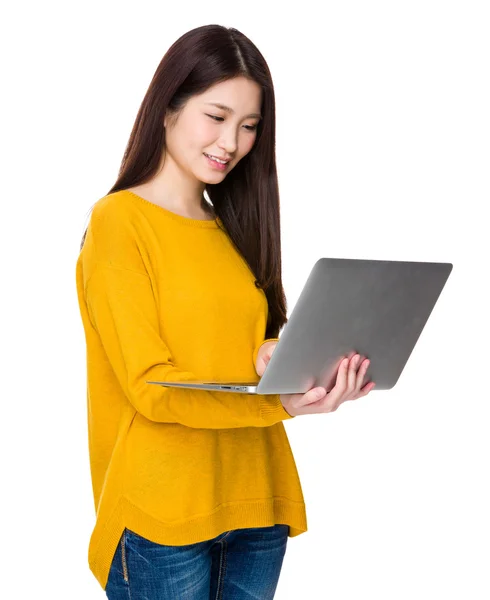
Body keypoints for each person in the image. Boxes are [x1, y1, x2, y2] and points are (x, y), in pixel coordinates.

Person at [75, 24, 375, 600]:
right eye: (216, 117)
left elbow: (242, 347)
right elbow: (152, 387)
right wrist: (279, 406)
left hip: (256, 502)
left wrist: (286, 362)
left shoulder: (235, 226)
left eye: (249, 126)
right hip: (164, 515)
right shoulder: (120, 224)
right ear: (167, 109)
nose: (232, 142)